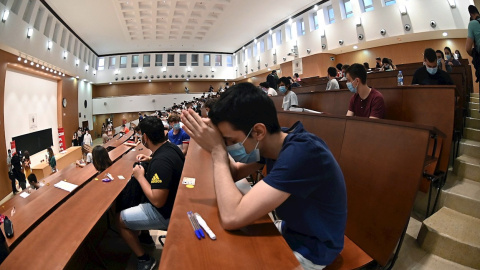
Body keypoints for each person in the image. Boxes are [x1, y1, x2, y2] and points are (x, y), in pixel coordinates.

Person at [180, 83, 347, 269]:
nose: (229, 146)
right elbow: (234, 172)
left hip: (314, 248)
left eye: (231, 140)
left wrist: (218, 152)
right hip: (291, 230)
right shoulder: (275, 142)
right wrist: (214, 143)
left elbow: (231, 217)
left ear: (258, 131)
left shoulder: (303, 153)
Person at [117, 116, 185, 270]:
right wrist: (149, 159)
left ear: (145, 137)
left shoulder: (161, 162)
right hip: (176, 203)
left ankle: (145, 259)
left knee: (120, 220)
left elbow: (157, 201)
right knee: (140, 197)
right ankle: (145, 238)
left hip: (166, 213)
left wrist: (140, 177)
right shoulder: (171, 147)